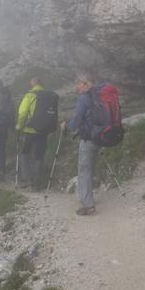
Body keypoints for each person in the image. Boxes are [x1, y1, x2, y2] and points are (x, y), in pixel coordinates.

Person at [62, 72, 100, 216]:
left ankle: (88, 205)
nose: (77, 86)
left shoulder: (84, 98)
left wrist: (66, 126)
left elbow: (77, 121)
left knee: (84, 170)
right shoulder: (98, 95)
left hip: (88, 138)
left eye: (79, 83)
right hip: (100, 137)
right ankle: (87, 197)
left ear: (85, 84)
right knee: (90, 168)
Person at [16, 77, 49, 190]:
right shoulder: (48, 96)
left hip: (30, 131)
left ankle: (27, 180)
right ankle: (37, 184)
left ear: (34, 83)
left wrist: (19, 125)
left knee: (25, 153)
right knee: (39, 156)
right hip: (43, 131)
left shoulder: (30, 95)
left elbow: (23, 112)